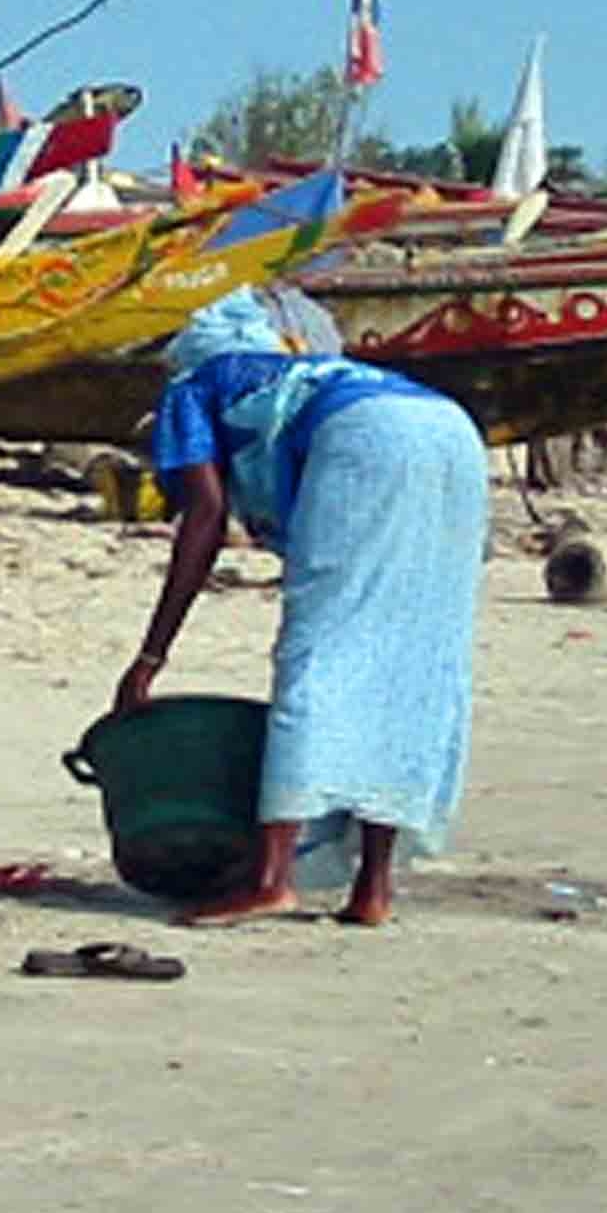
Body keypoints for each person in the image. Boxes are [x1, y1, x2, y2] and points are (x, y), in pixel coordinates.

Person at [115, 285, 488, 929]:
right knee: (413, 659)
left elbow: (204, 520)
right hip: (454, 434)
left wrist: (150, 657)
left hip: (367, 442)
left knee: (318, 652)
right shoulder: (306, 372)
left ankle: (271, 880)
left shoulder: (194, 385)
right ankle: (372, 890)